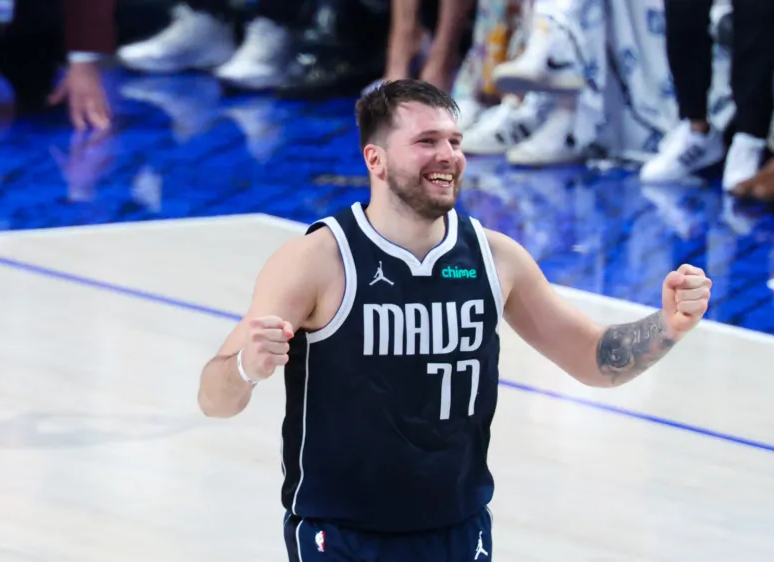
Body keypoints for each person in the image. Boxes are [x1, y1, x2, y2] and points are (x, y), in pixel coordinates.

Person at [196, 79, 712, 561]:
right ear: (375, 159)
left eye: (455, 141)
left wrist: (668, 325)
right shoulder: (318, 260)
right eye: (427, 141)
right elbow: (212, 399)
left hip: (459, 532)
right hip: (342, 536)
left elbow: (594, 360)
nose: (448, 155)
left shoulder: (496, 257)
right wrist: (245, 367)